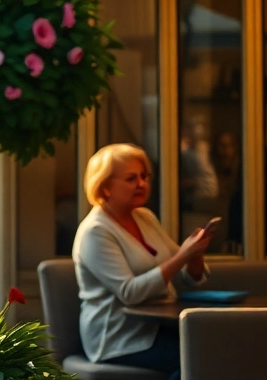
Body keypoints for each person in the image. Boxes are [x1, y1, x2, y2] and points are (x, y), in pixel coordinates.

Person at [73, 144, 212, 380]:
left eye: (144, 176)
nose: (142, 184)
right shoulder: (95, 232)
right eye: (131, 178)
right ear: (105, 187)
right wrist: (182, 257)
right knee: (200, 358)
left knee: (220, 345)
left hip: (159, 326)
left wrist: (195, 256)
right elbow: (130, 293)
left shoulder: (145, 217)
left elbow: (183, 275)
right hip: (119, 336)